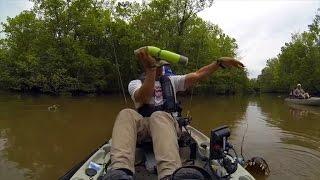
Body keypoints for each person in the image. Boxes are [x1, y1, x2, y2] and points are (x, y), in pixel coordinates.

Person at [106, 49, 244, 180]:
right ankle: (120, 171)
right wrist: (151, 72)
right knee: (126, 113)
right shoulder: (135, 83)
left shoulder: (172, 80)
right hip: (144, 128)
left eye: (162, 65)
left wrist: (218, 63)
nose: (160, 68)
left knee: (159, 116)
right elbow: (142, 98)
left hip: (168, 125)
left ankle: (169, 174)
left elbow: (199, 74)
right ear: (148, 65)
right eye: (157, 65)